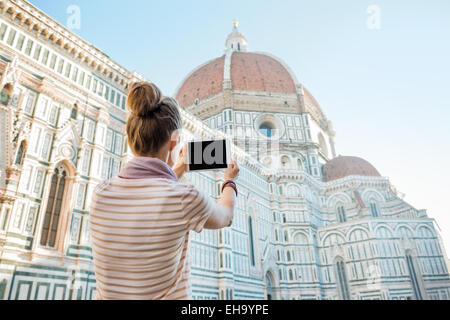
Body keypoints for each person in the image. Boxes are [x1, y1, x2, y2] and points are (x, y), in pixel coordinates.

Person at [89, 82, 240, 300]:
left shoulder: (100, 194)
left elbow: (149, 195)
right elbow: (226, 216)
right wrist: (229, 181)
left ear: (132, 139)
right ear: (174, 141)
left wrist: (179, 167)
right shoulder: (185, 197)